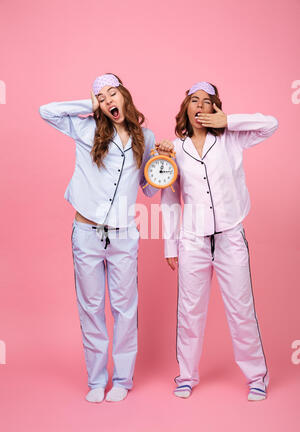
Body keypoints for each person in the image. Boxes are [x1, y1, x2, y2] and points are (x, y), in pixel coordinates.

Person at [39, 74, 158, 403]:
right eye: (101, 97)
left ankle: (122, 378)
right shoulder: (86, 129)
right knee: (91, 307)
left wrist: (164, 165)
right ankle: (96, 380)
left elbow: (148, 189)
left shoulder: (145, 137)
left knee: (124, 309)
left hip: (123, 235)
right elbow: (46, 111)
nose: (108, 100)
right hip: (87, 233)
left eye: (112, 93)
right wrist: (89, 106)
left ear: (124, 95)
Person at [160, 81, 278, 401]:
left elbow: (271, 124)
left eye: (207, 101)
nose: (200, 105)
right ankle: (186, 375)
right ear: (185, 108)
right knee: (189, 311)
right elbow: (170, 200)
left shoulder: (231, 140)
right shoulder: (174, 149)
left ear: (216, 108)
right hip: (192, 241)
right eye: (194, 100)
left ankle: (256, 377)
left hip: (230, 237)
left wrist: (229, 121)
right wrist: (171, 246)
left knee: (241, 309)